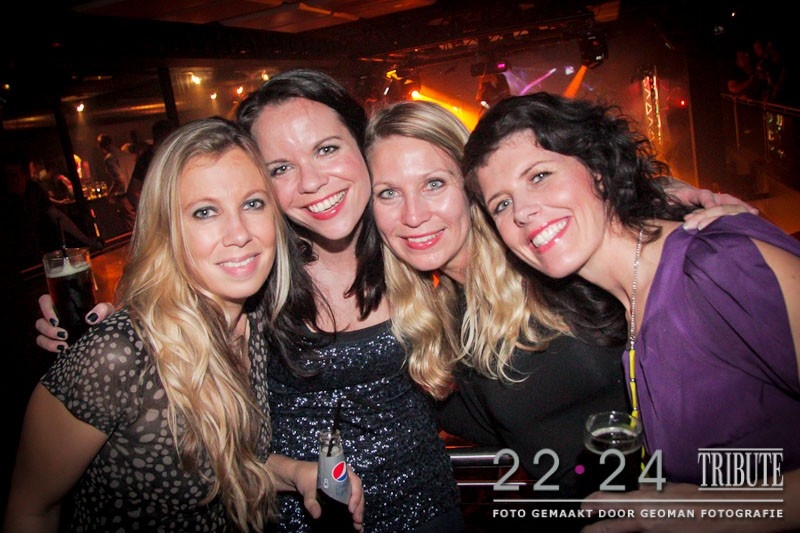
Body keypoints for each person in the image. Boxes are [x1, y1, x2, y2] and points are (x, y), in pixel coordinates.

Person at [37, 70, 463, 532]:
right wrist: (101, 337)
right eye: (281, 168)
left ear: (360, 145)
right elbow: (168, 322)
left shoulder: (412, 242)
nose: (312, 181)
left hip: (428, 508)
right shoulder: (253, 282)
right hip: (297, 520)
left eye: (326, 149)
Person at [364, 101, 758, 528]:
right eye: (388, 193)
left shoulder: (554, 262)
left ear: (472, 187)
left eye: (434, 183)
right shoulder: (430, 324)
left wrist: (670, 201)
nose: (413, 215)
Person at [6, 117, 364, 532]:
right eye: (205, 212)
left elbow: (227, 468)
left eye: (252, 204)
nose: (239, 234)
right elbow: (30, 509)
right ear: (167, 229)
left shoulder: (255, 324)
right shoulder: (118, 356)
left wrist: (295, 473)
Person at [462, 92, 800, 532]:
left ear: (599, 169)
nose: (523, 212)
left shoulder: (718, 265)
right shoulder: (623, 305)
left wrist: (707, 510)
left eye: (539, 176)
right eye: (502, 204)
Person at [127, 118, 178, 209]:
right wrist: (148, 212)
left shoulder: (169, 155)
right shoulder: (147, 159)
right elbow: (133, 191)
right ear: (166, 136)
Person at [97, 132, 137, 231]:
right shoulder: (126, 155)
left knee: (131, 227)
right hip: (135, 193)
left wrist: (110, 194)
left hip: (124, 197)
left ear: (101, 146)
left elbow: (119, 180)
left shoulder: (110, 158)